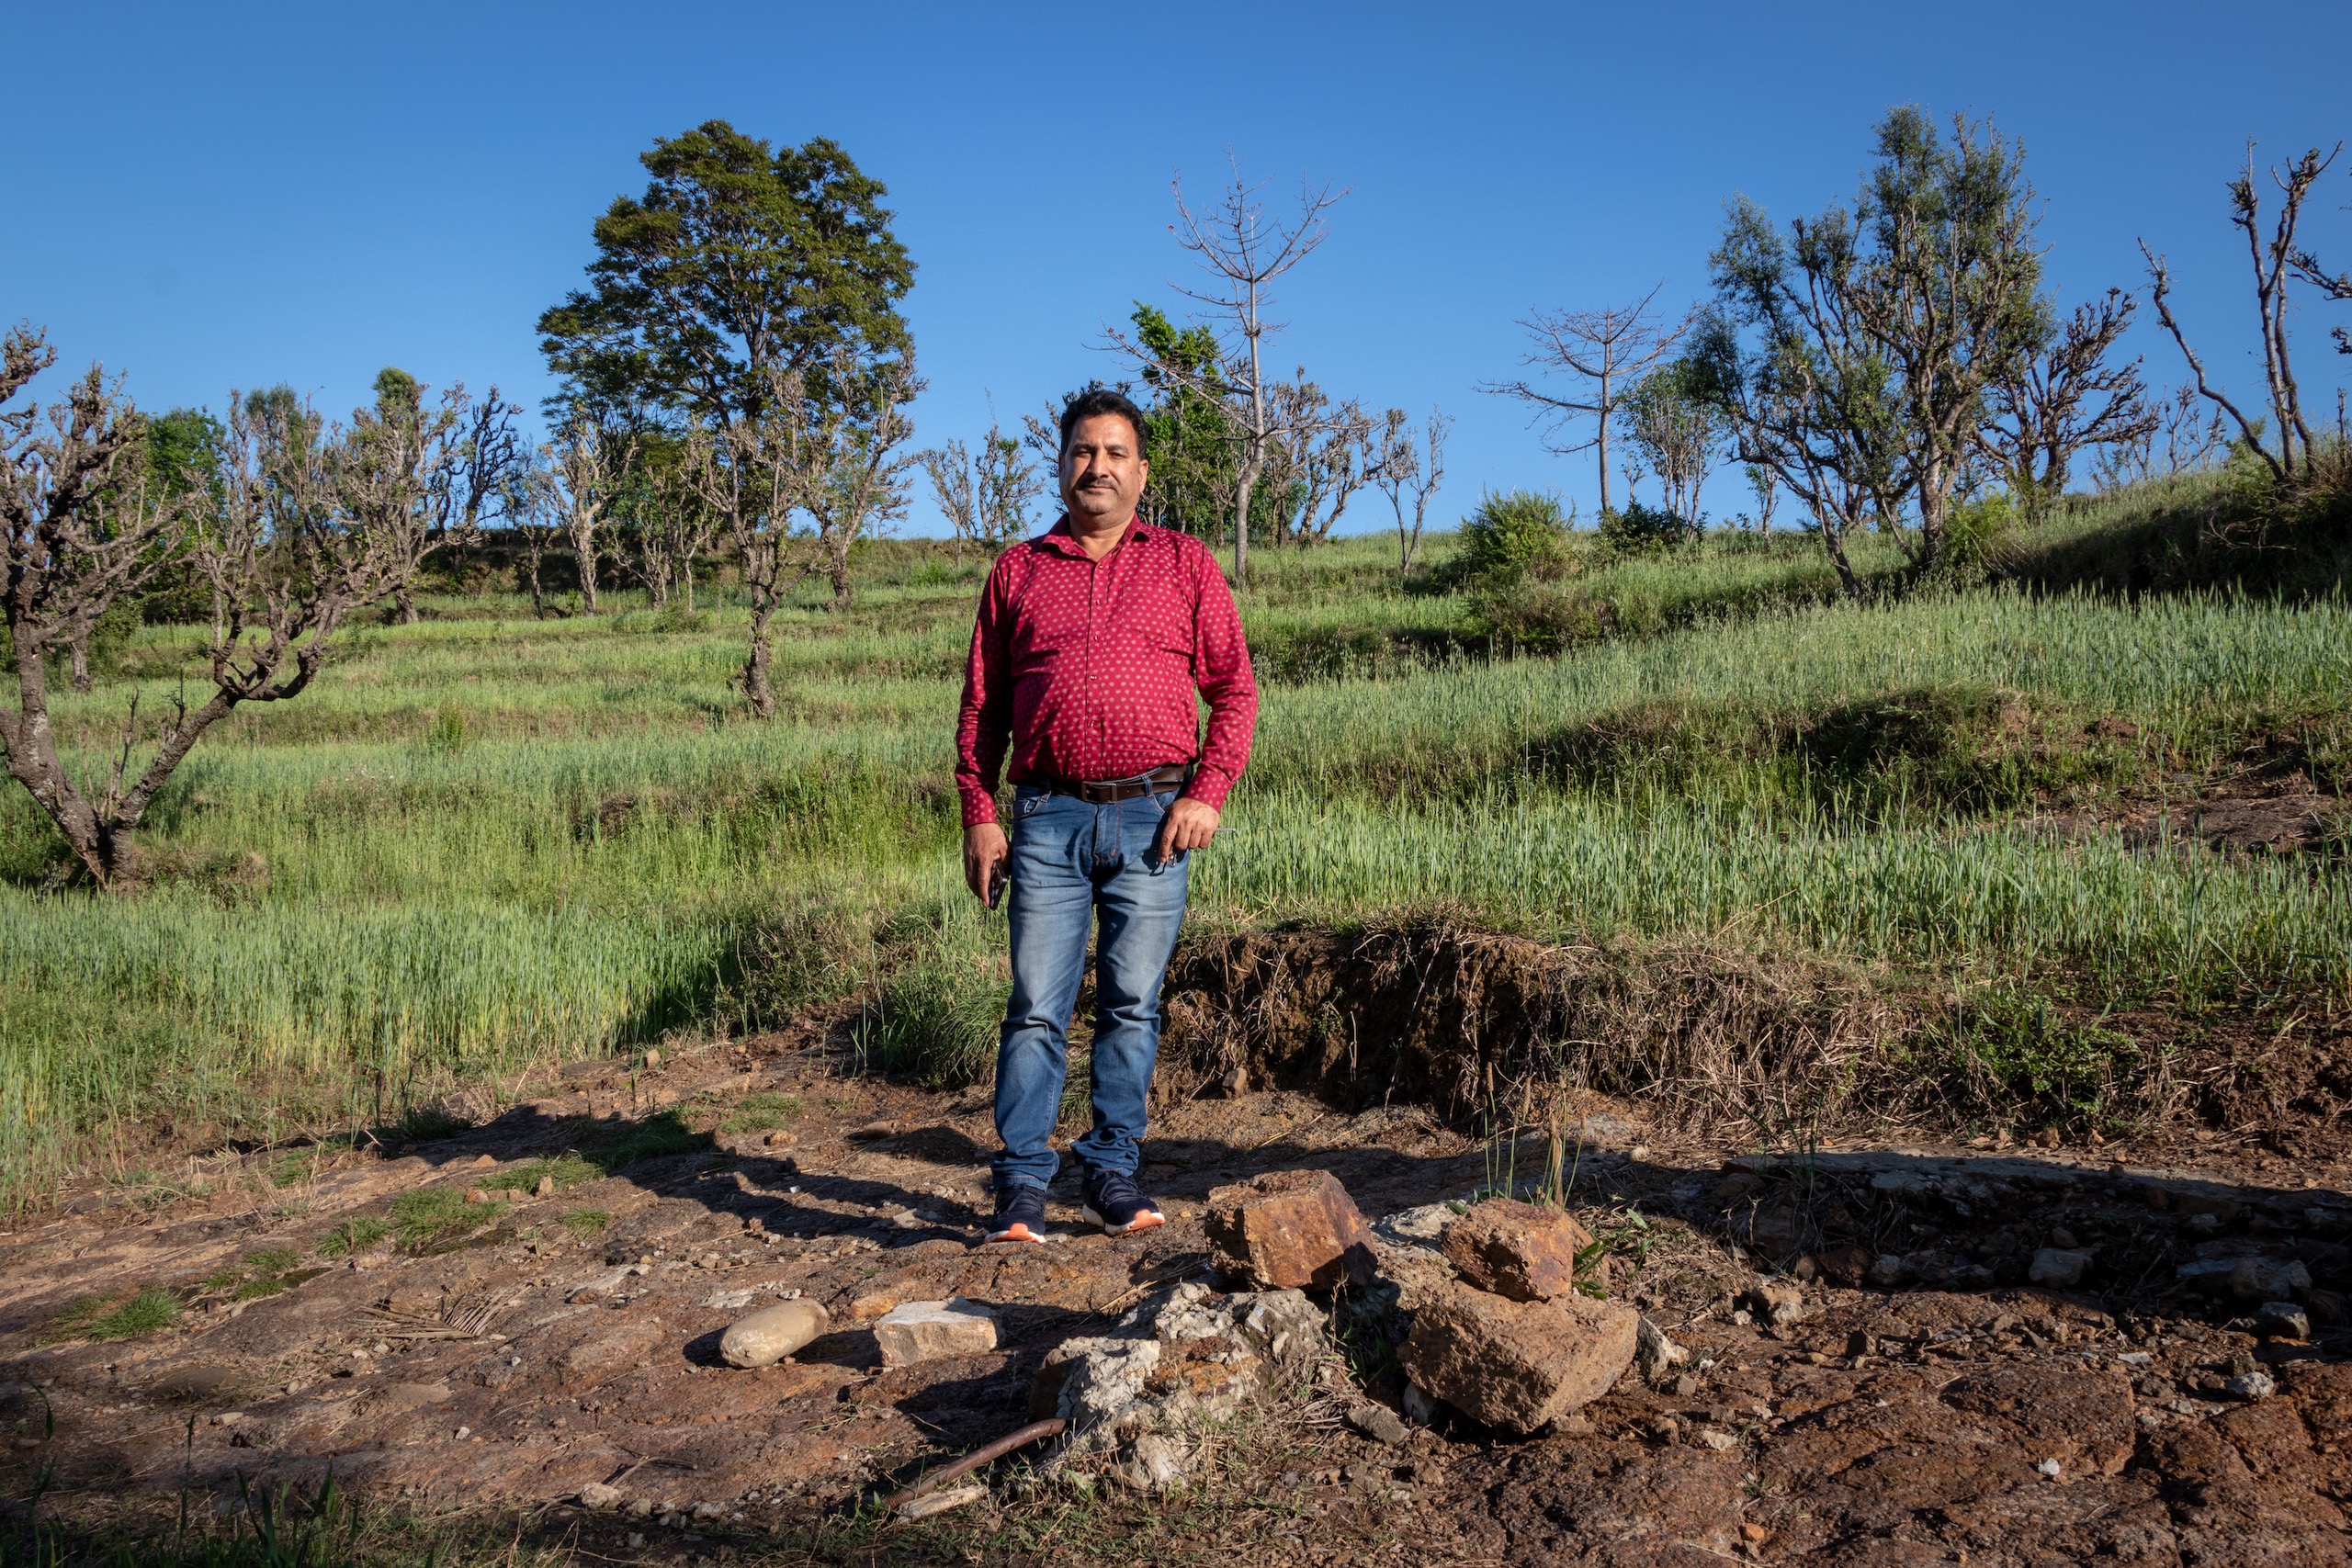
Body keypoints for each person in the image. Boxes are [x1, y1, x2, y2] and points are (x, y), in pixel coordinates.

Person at [954, 386, 1257, 1244]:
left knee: (1132, 1003)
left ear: (1141, 470)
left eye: (1116, 453)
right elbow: (983, 708)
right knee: (1036, 1005)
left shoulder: (1186, 563)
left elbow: (1234, 687)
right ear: (1061, 465)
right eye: (1084, 451)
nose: (1099, 467)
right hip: (1046, 817)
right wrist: (981, 812)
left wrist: (1209, 790)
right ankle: (1018, 1184)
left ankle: (1111, 1170)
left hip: (1157, 817)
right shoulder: (1019, 570)